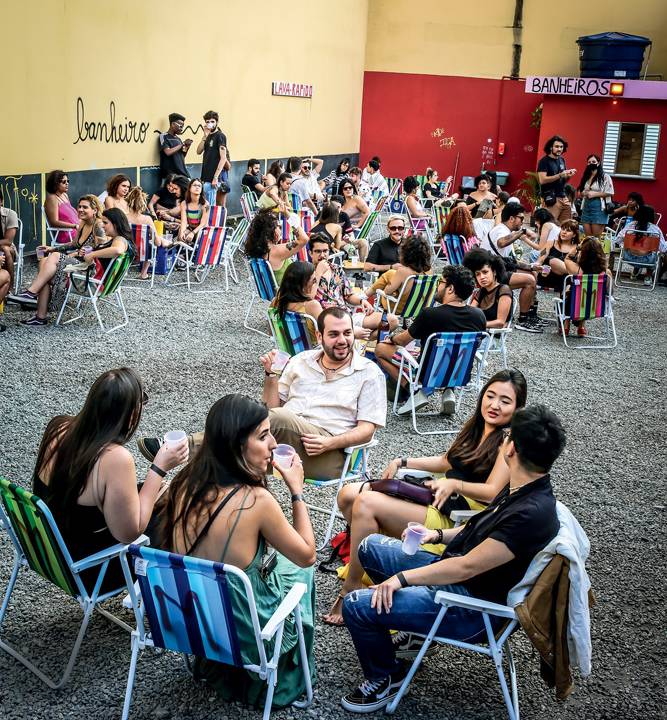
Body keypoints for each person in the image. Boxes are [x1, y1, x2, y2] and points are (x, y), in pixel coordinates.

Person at [340, 404, 563, 713]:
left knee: (357, 607)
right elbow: (478, 530)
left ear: (512, 448)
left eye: (508, 436)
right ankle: (415, 635)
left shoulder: (530, 514)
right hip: (459, 579)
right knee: (369, 548)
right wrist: (437, 536)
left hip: (468, 608)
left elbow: (467, 566)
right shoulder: (524, 487)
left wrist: (401, 579)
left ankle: (385, 676)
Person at [323, 369, 527, 627]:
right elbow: (445, 461)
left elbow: (490, 491)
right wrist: (402, 461)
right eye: (490, 396)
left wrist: (455, 484)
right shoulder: (478, 426)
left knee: (365, 503)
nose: (494, 405)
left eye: (505, 401)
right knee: (348, 496)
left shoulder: (508, 440)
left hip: (455, 517)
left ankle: (351, 587)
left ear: (518, 408)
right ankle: (378, 564)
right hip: (436, 495)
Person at [156, 394, 316, 709]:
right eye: (263, 436)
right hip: (242, 631)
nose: (273, 443)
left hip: (192, 620)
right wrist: (297, 491)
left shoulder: (185, 483)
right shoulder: (255, 501)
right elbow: (308, 554)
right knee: (301, 570)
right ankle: (284, 673)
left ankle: (217, 668)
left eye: (271, 432)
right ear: (235, 446)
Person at [32, 367, 188, 593]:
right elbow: (129, 533)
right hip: (91, 570)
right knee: (174, 508)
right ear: (131, 414)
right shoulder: (114, 459)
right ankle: (174, 596)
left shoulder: (58, 427)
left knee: (157, 492)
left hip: (51, 553)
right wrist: (159, 467)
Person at [259, 306, 387, 479]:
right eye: (334, 334)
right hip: (283, 444)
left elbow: (367, 431)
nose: (342, 340)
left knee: (263, 421)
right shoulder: (301, 361)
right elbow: (269, 409)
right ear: (319, 336)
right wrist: (271, 374)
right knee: (235, 413)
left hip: (328, 454)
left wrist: (329, 443)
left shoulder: (369, 373)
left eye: (347, 333)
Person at [374, 263, 486, 411]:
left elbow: (402, 341)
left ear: (450, 288)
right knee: (449, 355)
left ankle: (416, 391)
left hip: (427, 374)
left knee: (381, 349)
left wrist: (392, 338)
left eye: (441, 283)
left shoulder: (430, 314)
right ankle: (449, 390)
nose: (437, 287)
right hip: (458, 374)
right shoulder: (479, 316)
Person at [9, 195, 106, 326]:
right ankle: (40, 317)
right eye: (79, 206)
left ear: (94, 210)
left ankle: (31, 292)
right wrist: (52, 248)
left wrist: (86, 252)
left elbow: (104, 247)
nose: (80, 209)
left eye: (85, 207)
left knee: (53, 257)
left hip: (87, 269)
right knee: (44, 261)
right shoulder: (82, 223)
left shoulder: (98, 225)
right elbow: (73, 244)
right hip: (75, 263)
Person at [309, 234, 395, 339]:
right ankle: (353, 338)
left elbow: (348, 295)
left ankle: (359, 339)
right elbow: (309, 299)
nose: (322, 255)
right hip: (329, 322)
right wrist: (318, 273)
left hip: (347, 315)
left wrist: (361, 301)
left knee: (392, 321)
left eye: (325, 251)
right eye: (318, 251)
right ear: (310, 253)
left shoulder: (336, 269)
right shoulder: (305, 273)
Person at [482, 203, 545, 333]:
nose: (523, 222)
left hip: (498, 269)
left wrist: (531, 267)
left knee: (532, 274)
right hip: (492, 273)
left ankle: (530, 314)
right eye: (521, 218)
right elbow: (501, 242)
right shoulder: (501, 230)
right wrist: (522, 232)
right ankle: (523, 320)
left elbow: (511, 260)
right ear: (511, 218)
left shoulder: (505, 230)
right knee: (530, 280)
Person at [365, 233, 433, 315]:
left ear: (406, 253)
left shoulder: (403, 272)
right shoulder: (429, 271)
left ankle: (365, 295)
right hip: (418, 308)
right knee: (391, 275)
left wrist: (392, 290)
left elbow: (387, 292)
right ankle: (365, 294)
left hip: (398, 308)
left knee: (389, 275)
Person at [244, 209, 308, 285]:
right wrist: (287, 214)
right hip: (288, 293)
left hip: (276, 293)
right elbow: (304, 239)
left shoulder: (255, 249)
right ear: (269, 231)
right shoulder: (276, 252)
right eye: (277, 226)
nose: (280, 227)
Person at [611, 205, 665, 286]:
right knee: (655, 252)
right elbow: (663, 248)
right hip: (648, 261)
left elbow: (618, 239)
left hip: (628, 257)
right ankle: (648, 277)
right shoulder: (655, 230)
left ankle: (635, 270)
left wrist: (625, 245)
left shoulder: (630, 226)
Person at [463, 249, 514, 329]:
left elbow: (500, 322)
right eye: (478, 274)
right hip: (479, 332)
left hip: (492, 336)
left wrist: (476, 324)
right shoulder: (481, 292)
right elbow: (470, 314)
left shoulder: (503, 290)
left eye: (485, 272)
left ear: (494, 272)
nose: (482, 277)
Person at [126, 186, 168, 279]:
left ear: (128, 202)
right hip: (143, 253)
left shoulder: (123, 218)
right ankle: (143, 273)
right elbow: (157, 242)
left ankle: (124, 271)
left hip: (127, 251)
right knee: (154, 244)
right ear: (143, 204)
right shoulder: (147, 219)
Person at [537, 135, 577, 223]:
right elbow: (542, 180)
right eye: (557, 146)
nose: (559, 149)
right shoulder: (544, 161)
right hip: (552, 198)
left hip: (564, 197)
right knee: (549, 226)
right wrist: (560, 175)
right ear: (551, 147)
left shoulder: (562, 160)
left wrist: (568, 175)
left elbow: (563, 180)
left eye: (561, 147)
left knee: (565, 226)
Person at [536, 219, 580, 293]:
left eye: (568, 230)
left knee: (567, 274)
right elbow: (541, 258)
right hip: (548, 275)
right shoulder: (551, 243)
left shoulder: (577, 248)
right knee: (551, 260)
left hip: (565, 279)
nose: (564, 232)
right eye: (563, 229)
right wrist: (539, 268)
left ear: (574, 234)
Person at [196, 110, 229, 207]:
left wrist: (215, 177)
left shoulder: (220, 136)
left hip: (213, 178)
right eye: (207, 122)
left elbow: (223, 158)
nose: (209, 124)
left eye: (212, 121)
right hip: (205, 177)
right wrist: (205, 136)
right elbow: (198, 151)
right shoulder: (208, 136)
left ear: (217, 122)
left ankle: (211, 222)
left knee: (210, 206)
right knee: (205, 205)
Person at [578, 154, 614, 238]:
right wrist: (583, 193)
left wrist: (594, 194)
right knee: (587, 236)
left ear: (598, 163)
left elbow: (610, 192)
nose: (591, 163)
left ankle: (595, 251)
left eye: (593, 162)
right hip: (586, 206)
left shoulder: (605, 176)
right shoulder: (586, 176)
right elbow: (581, 190)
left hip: (599, 207)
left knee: (595, 237)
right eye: (589, 162)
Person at [43, 170, 79, 244]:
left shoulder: (65, 195)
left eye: (68, 181)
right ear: (55, 184)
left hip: (75, 230)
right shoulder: (52, 198)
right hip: (66, 233)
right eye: (64, 182)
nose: (67, 184)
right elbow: (54, 222)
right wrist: (74, 226)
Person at [340, 180, 370, 260]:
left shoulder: (357, 199)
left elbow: (367, 212)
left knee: (349, 243)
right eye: (345, 188)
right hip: (343, 230)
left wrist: (358, 225)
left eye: (350, 187)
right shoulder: (341, 202)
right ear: (341, 190)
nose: (348, 190)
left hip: (354, 230)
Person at [159, 113, 191, 180]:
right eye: (180, 126)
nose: (182, 128)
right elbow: (167, 152)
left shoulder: (178, 139)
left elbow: (182, 155)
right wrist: (182, 144)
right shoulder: (164, 136)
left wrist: (187, 147)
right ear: (173, 124)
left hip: (181, 174)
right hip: (170, 176)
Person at [179, 178, 210, 245]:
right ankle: (182, 253)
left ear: (201, 190)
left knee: (199, 235)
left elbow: (203, 224)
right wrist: (182, 232)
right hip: (190, 228)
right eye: (195, 185)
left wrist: (192, 233)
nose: (197, 187)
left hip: (202, 230)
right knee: (181, 233)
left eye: (199, 186)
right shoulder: (184, 204)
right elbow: (184, 221)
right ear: (190, 188)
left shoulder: (205, 204)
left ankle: (197, 253)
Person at [0, 195, 19, 290]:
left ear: (1, 201)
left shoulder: (10, 214)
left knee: (5, 249)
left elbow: (8, 241)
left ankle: (10, 288)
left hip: (8, 248)